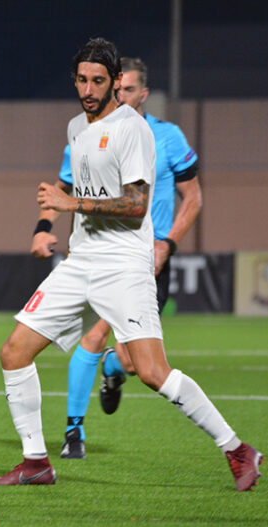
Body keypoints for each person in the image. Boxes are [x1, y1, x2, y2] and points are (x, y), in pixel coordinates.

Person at [0, 38, 263, 491]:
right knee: (13, 352)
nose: (90, 88)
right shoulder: (76, 127)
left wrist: (68, 202)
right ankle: (36, 461)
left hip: (124, 264)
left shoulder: (132, 127)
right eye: (82, 79)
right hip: (82, 261)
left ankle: (238, 450)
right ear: (74, 80)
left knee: (153, 372)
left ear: (117, 83)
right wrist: (46, 223)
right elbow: (68, 191)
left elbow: (136, 206)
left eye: (99, 80)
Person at [59, 56, 204, 459]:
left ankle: (113, 369)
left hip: (149, 257)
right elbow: (70, 187)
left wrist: (167, 244)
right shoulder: (86, 132)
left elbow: (193, 198)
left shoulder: (166, 136)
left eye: (125, 89)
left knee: (138, 364)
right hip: (105, 253)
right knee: (92, 335)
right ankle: (73, 433)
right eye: (114, 88)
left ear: (142, 93)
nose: (116, 94)